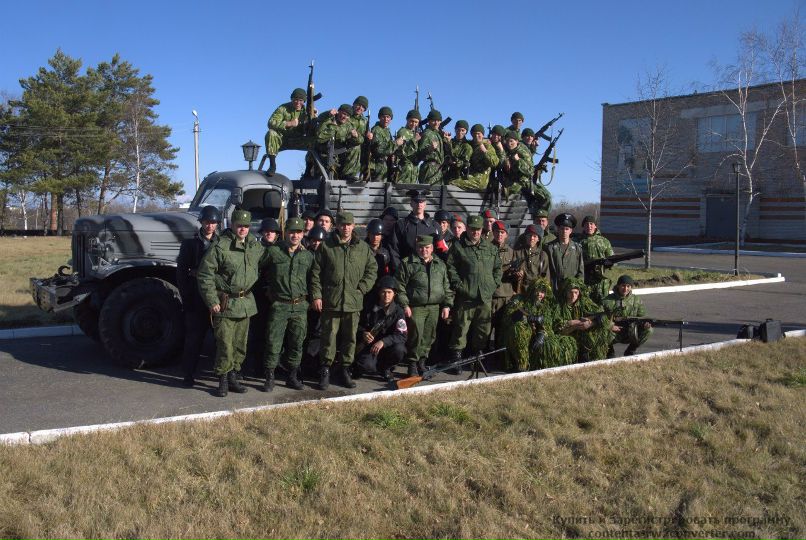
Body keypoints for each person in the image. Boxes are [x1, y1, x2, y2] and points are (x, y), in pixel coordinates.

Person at [196, 209, 263, 397]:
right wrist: (212, 300)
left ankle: (234, 376)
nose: (243, 229)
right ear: (232, 225)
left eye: (246, 226)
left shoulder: (253, 246)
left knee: (241, 344)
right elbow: (204, 274)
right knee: (225, 344)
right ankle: (222, 379)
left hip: (245, 304)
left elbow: (266, 260)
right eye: (239, 225)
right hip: (226, 303)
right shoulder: (221, 246)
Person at [310, 211, 377, 390]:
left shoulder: (362, 248)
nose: (345, 228)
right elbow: (316, 273)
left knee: (350, 339)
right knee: (328, 337)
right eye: (342, 224)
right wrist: (316, 295)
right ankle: (325, 371)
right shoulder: (326, 246)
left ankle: (345, 370)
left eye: (348, 224)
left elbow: (372, 270)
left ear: (353, 226)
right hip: (331, 301)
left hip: (353, 303)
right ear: (336, 226)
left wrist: (362, 288)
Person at [259, 217, 313, 391]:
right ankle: (269, 377)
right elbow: (258, 269)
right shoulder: (274, 252)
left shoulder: (307, 255)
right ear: (285, 233)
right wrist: (267, 289)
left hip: (300, 306)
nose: (295, 236)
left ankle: (292, 376)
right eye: (291, 232)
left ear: (303, 234)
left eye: (298, 232)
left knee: (297, 342)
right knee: (273, 341)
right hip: (279, 305)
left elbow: (313, 279)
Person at [445, 215, 502, 366]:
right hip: (466, 295)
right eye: (472, 229)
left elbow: (497, 268)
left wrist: (493, 284)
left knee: (483, 328)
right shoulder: (458, 247)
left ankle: (478, 357)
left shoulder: (490, 247)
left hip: (485, 296)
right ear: (467, 229)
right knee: (461, 328)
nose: (475, 232)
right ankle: (456, 359)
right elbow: (451, 268)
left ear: (482, 230)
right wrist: (459, 285)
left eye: (478, 229)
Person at [396, 235, 453, 376]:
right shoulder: (407, 263)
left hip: (434, 307)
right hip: (416, 306)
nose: (424, 250)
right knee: (416, 335)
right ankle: (412, 364)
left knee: (429, 336)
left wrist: (447, 305)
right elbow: (399, 287)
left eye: (427, 247)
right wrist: (405, 305)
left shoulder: (440, 264)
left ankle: (422, 361)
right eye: (421, 247)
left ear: (432, 248)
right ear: (416, 248)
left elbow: (446, 286)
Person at [176, 205, 220, 387]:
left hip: (217, 296)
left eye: (213, 222)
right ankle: (188, 374)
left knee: (221, 339)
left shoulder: (222, 243)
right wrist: (186, 294)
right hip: (196, 296)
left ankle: (223, 376)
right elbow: (181, 272)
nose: (210, 226)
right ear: (201, 222)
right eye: (207, 222)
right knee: (194, 338)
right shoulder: (190, 244)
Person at [499, 277, 571, 371]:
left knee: (551, 344)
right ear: (532, 290)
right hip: (515, 337)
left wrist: (542, 334)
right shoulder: (519, 299)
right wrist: (526, 317)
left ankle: (535, 364)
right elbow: (508, 318)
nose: (539, 294)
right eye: (537, 291)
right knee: (519, 328)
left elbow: (550, 324)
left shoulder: (546, 305)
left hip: (536, 336)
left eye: (542, 292)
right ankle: (521, 365)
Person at [354, 276, 408, 382]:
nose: (386, 295)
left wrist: (384, 341)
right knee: (367, 366)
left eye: (389, 292)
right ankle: (367, 366)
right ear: (379, 293)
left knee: (400, 350)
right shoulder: (369, 307)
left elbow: (402, 335)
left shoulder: (398, 311)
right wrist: (363, 333)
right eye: (383, 292)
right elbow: (357, 325)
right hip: (370, 346)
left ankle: (386, 369)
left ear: (394, 294)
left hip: (388, 347)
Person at [553, 278, 611, 362]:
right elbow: (557, 326)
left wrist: (591, 323)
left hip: (582, 335)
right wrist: (574, 323)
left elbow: (602, 315)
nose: (573, 296)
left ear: (579, 293)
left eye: (576, 292)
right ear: (565, 293)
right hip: (567, 335)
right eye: (570, 292)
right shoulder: (559, 305)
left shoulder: (585, 303)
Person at [602, 275, 653, 357]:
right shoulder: (607, 301)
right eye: (623, 286)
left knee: (649, 330)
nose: (625, 289)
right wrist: (610, 326)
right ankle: (609, 352)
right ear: (618, 285)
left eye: (628, 286)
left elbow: (642, 317)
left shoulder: (637, 300)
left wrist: (645, 325)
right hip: (614, 333)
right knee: (601, 332)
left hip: (631, 332)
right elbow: (600, 318)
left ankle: (631, 350)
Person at [389, 188, 439, 269]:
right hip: (406, 270)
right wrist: (399, 270)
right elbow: (394, 249)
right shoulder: (401, 225)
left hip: (430, 271)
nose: (419, 205)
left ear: (425, 204)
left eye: (421, 202)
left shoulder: (435, 226)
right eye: (416, 201)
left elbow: (439, 251)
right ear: (411, 203)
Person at [264, 88, 311, 174]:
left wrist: (314, 117)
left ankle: (308, 170)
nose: (297, 102)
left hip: (299, 139)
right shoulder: (283, 108)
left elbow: (314, 129)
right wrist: (288, 123)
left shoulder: (307, 111)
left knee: (316, 141)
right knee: (271, 133)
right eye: (295, 99)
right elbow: (271, 122)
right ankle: (272, 165)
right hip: (283, 140)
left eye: (300, 100)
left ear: (304, 101)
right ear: (292, 99)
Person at [315, 103, 363, 181]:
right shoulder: (328, 120)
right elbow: (320, 138)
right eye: (343, 113)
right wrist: (333, 126)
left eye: (347, 115)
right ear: (338, 112)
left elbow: (360, 140)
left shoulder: (348, 125)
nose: (344, 117)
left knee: (356, 147)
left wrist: (356, 136)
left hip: (339, 152)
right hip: (324, 151)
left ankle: (347, 174)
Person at [491, 220, 517, 351]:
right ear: (493, 232)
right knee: (485, 328)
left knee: (501, 329)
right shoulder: (486, 248)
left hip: (505, 295)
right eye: (497, 232)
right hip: (490, 295)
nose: (499, 235)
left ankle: (498, 355)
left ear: (506, 235)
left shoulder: (511, 252)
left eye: (502, 233)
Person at [577, 215, 615, 304]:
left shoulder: (604, 241)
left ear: (595, 226)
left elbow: (611, 258)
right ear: (583, 226)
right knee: (586, 304)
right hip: (585, 279)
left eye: (591, 224)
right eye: (586, 224)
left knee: (603, 304)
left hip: (601, 281)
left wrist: (609, 263)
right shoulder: (578, 241)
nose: (589, 226)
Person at [545, 213, 584, 294]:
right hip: (554, 289)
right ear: (558, 229)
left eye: (567, 229)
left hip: (571, 290)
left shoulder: (577, 248)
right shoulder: (549, 247)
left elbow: (580, 272)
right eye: (562, 228)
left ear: (571, 231)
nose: (564, 231)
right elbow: (546, 270)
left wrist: (577, 288)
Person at [454, 123, 499, 191]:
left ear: (482, 134)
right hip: (469, 176)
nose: (476, 136)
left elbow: (494, 163)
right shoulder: (470, 144)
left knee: (453, 183)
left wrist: (484, 150)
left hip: (480, 180)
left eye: (478, 133)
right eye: (474, 134)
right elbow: (460, 143)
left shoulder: (487, 146)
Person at [513, 224, 550, 291]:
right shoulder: (517, 252)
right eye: (529, 235)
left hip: (536, 290)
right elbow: (511, 270)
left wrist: (543, 291)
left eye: (535, 236)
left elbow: (546, 277)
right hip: (520, 289)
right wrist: (516, 273)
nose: (532, 238)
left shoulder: (543, 255)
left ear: (538, 239)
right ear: (526, 237)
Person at [501, 130, 533, 198]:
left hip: (521, 182)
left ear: (517, 141)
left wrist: (519, 160)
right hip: (510, 178)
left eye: (511, 141)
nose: (509, 143)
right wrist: (506, 161)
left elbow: (530, 171)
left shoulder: (522, 152)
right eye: (507, 141)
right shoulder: (507, 150)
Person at [418, 109, 447, 185]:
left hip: (437, 169)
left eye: (438, 120)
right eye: (433, 120)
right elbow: (420, 154)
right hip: (429, 169)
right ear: (429, 121)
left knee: (437, 195)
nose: (436, 123)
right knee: (429, 194)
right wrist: (429, 149)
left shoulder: (437, 134)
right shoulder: (427, 134)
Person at [367, 106, 396, 181]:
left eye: (388, 117)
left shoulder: (387, 131)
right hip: (378, 166)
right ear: (379, 117)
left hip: (386, 165)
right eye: (383, 117)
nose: (386, 119)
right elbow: (379, 150)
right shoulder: (376, 130)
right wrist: (395, 144)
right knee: (377, 190)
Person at [393, 110, 422, 184]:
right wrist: (414, 140)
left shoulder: (416, 134)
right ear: (407, 120)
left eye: (416, 122)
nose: (414, 124)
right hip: (404, 169)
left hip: (414, 170)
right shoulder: (402, 132)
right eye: (412, 121)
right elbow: (402, 152)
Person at [445, 120, 473, 184]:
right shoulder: (449, 141)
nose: (460, 132)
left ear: (466, 132)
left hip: (459, 178)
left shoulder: (467, 146)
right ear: (455, 130)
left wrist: (455, 162)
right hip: (446, 176)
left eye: (463, 130)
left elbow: (465, 162)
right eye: (458, 130)